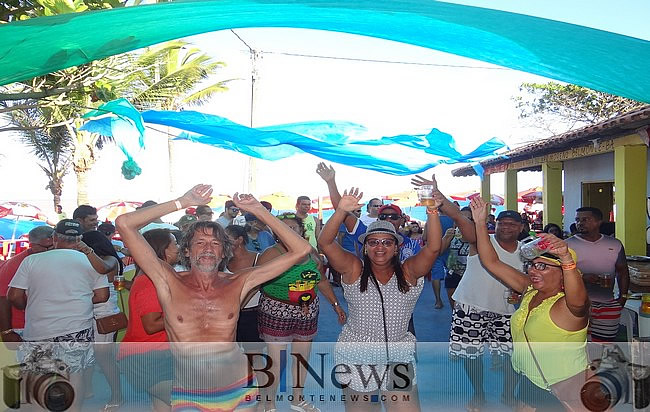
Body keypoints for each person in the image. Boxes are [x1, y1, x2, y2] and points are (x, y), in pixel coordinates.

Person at [115, 185, 313, 412]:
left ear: (223, 252)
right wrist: (182, 201)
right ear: (187, 251)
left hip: (238, 386)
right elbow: (124, 224)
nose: (208, 248)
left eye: (215, 243)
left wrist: (259, 210)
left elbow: (301, 249)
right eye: (200, 242)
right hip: (189, 391)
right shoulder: (168, 281)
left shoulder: (239, 282)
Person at [318, 185, 442, 412]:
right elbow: (325, 243)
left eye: (387, 242)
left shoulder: (409, 273)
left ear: (396, 247)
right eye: (373, 242)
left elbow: (433, 248)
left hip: (398, 356)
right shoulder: (354, 270)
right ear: (365, 248)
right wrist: (341, 211)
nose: (380, 247)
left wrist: (432, 211)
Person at [469, 196, 590, 411]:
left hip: (562, 387)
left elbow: (579, 301)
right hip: (529, 381)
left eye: (543, 267)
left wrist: (565, 258)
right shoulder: (529, 290)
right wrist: (479, 223)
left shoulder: (568, 307)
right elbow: (491, 262)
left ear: (564, 274)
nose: (534, 271)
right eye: (532, 265)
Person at [412, 175, 522, 412]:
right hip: (471, 306)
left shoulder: (528, 252)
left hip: (507, 312)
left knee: (513, 358)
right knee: (471, 356)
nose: (507, 227)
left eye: (513, 224)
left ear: (521, 228)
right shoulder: (481, 239)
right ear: (495, 224)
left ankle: (508, 394)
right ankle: (479, 394)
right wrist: (438, 196)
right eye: (502, 223)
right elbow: (458, 218)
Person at [7, 219, 110, 412]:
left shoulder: (32, 260)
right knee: (75, 375)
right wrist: (77, 301)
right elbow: (102, 296)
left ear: (54, 237)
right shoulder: (92, 262)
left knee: (38, 377)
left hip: (39, 330)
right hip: (77, 328)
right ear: (80, 239)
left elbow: (14, 296)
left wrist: (31, 305)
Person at [256, 212, 346, 412]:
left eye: (293, 228)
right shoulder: (270, 254)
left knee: (301, 357)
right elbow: (255, 282)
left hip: (307, 310)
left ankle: (297, 399)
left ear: (301, 230)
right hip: (276, 310)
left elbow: (321, 279)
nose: (289, 232)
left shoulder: (311, 252)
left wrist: (335, 304)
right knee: (276, 359)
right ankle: (268, 403)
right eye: (284, 228)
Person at [118, 229, 178, 411]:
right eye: (174, 243)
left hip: (152, 356)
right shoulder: (151, 281)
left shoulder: (154, 277)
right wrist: (187, 316)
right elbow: (151, 325)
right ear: (164, 250)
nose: (178, 248)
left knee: (162, 406)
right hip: (148, 358)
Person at [566, 207, 629, 343]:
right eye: (577, 220)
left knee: (604, 346)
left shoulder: (614, 244)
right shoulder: (567, 245)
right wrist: (582, 278)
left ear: (599, 222)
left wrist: (623, 297)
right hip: (577, 305)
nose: (580, 223)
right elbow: (559, 274)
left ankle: (598, 365)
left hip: (608, 304)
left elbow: (623, 271)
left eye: (585, 219)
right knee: (578, 345)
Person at [82, 230, 125, 410]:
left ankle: (117, 395)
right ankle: (87, 389)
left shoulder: (110, 259)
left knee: (104, 357)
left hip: (103, 314)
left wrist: (87, 252)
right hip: (89, 312)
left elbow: (104, 270)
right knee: (87, 355)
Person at [0, 226, 54, 343]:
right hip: (20, 327)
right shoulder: (16, 264)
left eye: (54, 246)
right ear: (33, 245)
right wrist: (7, 332)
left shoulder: (46, 259)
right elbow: (3, 299)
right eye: (48, 247)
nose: (52, 250)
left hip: (42, 326)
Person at [223, 224, 263, 344]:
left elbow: (255, 287)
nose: (223, 243)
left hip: (252, 313)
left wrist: (237, 307)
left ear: (240, 240)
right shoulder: (223, 261)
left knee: (254, 354)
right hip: (229, 313)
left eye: (226, 239)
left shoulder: (258, 258)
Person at [440, 207, 472, 308]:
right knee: (454, 307)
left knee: (471, 308)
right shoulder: (452, 234)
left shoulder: (478, 235)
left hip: (472, 276)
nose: (463, 221)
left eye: (468, 219)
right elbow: (439, 252)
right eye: (460, 218)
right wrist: (446, 238)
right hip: (453, 274)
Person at [422, 213, 454, 309]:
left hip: (435, 249)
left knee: (436, 275)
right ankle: (454, 299)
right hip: (450, 249)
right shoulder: (452, 219)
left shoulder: (431, 220)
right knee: (454, 274)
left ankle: (438, 300)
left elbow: (424, 237)